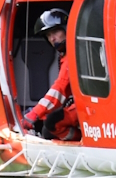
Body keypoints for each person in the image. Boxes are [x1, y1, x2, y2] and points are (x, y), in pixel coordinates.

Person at [22, 8, 77, 139]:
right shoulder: (67, 54)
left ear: (66, 28)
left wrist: (35, 113)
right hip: (82, 105)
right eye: (48, 35)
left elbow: (60, 89)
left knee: (53, 123)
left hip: (88, 107)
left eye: (55, 32)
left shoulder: (72, 55)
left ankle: (80, 139)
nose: (52, 38)